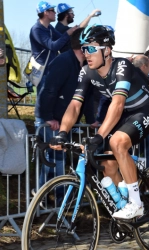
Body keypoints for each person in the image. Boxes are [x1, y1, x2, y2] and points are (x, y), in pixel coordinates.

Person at [50, 24, 149, 219]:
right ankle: (124, 208)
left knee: (116, 142)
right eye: (84, 49)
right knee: (108, 167)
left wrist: (99, 136)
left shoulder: (122, 66)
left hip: (146, 109)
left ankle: (136, 203)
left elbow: (117, 104)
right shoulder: (86, 72)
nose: (86, 54)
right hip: (125, 114)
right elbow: (75, 105)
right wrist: (62, 134)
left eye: (91, 48)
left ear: (107, 50)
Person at [33, 28, 88, 192]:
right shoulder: (63, 61)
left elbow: (87, 96)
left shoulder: (83, 66)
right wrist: (49, 117)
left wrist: (92, 120)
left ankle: (51, 195)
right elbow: (49, 90)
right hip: (52, 119)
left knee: (58, 159)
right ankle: (47, 194)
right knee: (54, 159)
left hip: (63, 119)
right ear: (83, 46)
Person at [30, 1, 77, 94]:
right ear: (46, 12)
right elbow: (53, 46)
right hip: (42, 72)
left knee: (51, 100)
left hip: (50, 69)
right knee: (43, 101)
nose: (55, 12)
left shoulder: (49, 27)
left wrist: (75, 32)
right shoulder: (37, 29)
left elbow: (62, 39)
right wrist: (68, 33)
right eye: (52, 10)